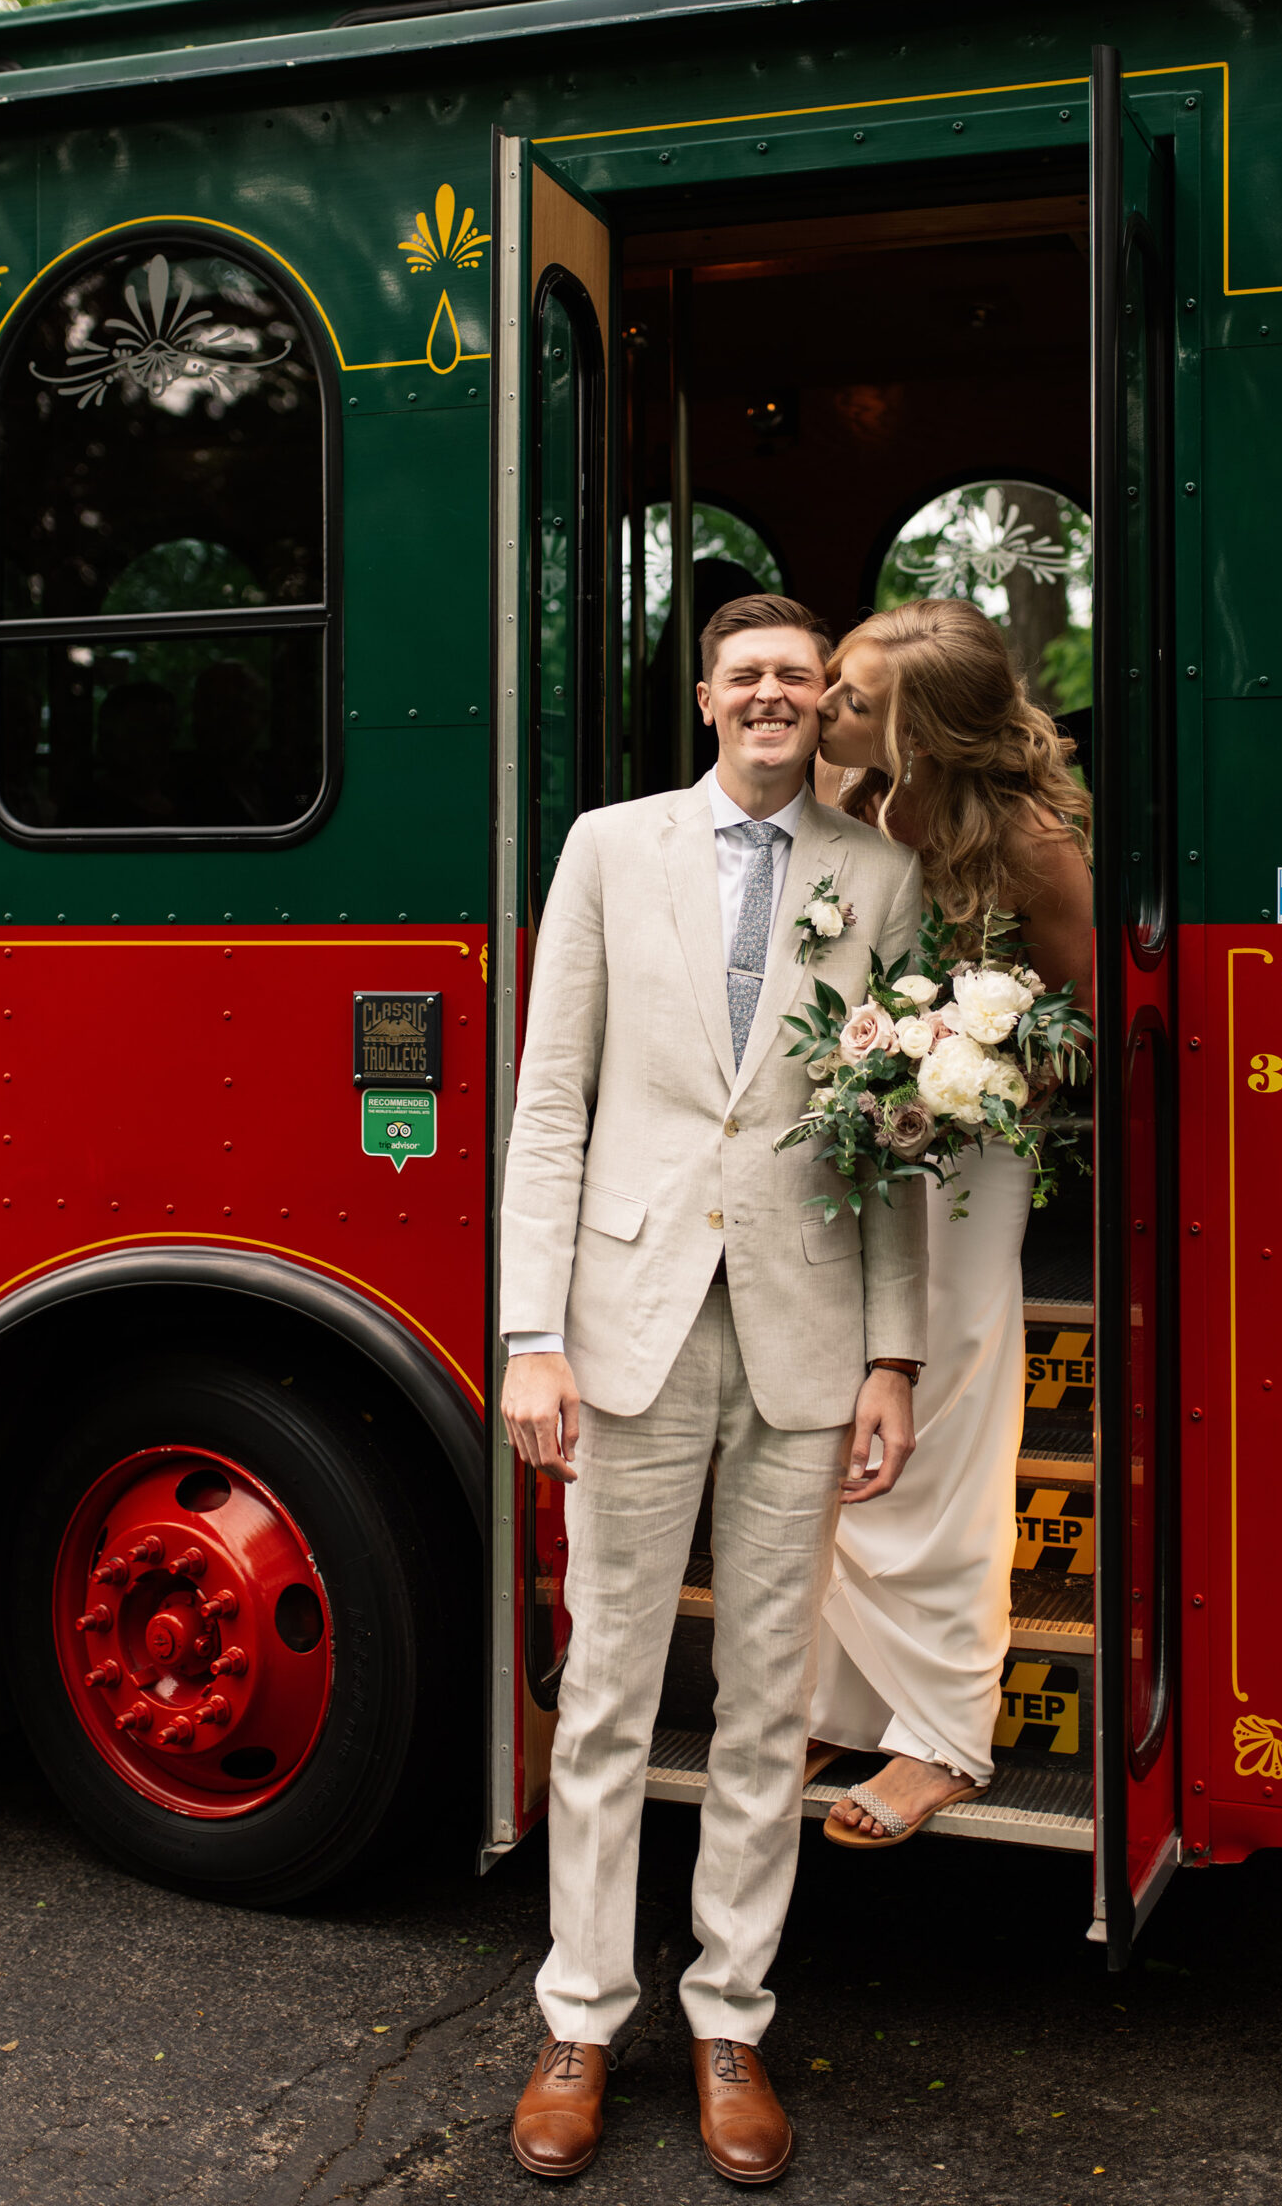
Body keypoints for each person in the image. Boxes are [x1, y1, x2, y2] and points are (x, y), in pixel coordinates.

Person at [499, 592, 929, 2183]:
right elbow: (551, 1105)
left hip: (806, 1334)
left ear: (826, 705)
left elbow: (893, 1143)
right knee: (607, 1682)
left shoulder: (876, 875)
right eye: (742, 675)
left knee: (767, 1701)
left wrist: (892, 1356)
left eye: (794, 680)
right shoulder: (608, 848)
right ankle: (579, 2022)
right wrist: (527, 1332)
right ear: (702, 698)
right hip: (628, 1323)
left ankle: (729, 2015)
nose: (768, 697)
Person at [807, 594, 1092, 1846]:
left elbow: (1086, 1027)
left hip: (968, 1159)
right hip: (850, 1146)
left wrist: (966, 1052)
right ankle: (834, 1692)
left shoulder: (1031, 843)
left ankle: (941, 1735)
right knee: (828, 1399)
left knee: (946, 1418)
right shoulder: (842, 798)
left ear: (920, 734)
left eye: (854, 700)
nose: (825, 709)